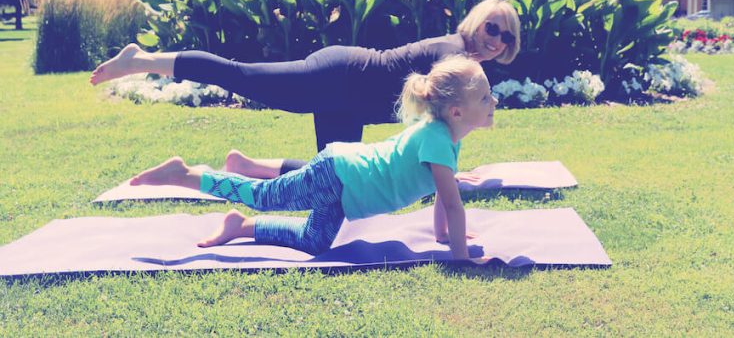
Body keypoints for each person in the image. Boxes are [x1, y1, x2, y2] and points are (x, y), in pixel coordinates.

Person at [91, 0, 520, 175]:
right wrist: (451, 176)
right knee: (241, 75)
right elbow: (443, 122)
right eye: (492, 27)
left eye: (504, 36)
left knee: (334, 178)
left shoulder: (464, 59)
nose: (494, 38)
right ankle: (140, 59)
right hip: (337, 76)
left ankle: (245, 167)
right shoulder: (454, 53)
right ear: (477, 20)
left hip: (349, 103)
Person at [129, 55, 495, 262]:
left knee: (314, 242)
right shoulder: (435, 138)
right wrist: (462, 259)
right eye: (484, 99)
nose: (492, 103)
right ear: (457, 111)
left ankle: (240, 226)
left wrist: (444, 236)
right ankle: (187, 174)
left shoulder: (446, 136)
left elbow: (441, 196)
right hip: (337, 175)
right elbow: (452, 203)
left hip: (346, 189)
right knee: (263, 195)